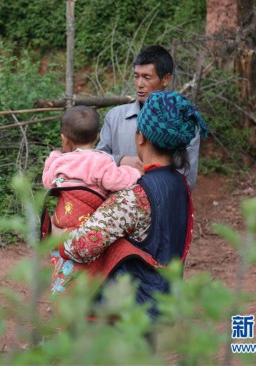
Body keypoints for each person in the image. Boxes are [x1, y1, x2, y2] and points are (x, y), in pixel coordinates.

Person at [55, 90, 208, 318]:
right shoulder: (180, 184)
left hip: (128, 314)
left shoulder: (135, 195)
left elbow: (81, 246)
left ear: (141, 137)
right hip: (161, 303)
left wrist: (57, 232)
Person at [41, 106, 141, 295]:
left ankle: (63, 294)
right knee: (92, 266)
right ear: (96, 137)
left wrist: (52, 158)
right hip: (89, 226)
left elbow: (48, 183)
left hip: (63, 222)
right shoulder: (102, 161)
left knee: (63, 262)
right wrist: (134, 172)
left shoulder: (60, 161)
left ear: (64, 139)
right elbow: (119, 181)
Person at [96, 45, 201, 190]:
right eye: (136, 76)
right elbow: (96, 161)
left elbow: (187, 177)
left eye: (147, 77)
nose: (139, 84)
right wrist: (122, 160)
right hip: (116, 206)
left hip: (163, 204)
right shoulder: (115, 117)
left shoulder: (182, 121)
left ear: (166, 79)